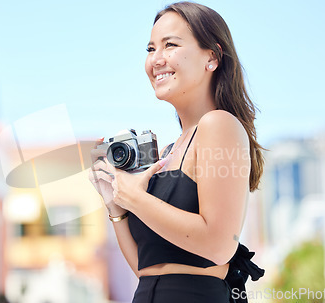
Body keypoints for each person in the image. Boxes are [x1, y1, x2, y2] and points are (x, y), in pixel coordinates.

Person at [89, 2, 265, 302]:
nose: (156, 59)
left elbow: (219, 246)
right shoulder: (169, 151)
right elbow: (148, 269)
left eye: (170, 45)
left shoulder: (219, 124)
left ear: (212, 57)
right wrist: (115, 207)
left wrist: (134, 197)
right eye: (150, 49)